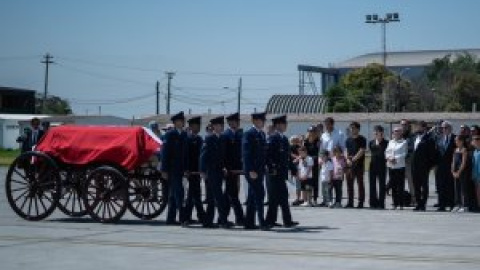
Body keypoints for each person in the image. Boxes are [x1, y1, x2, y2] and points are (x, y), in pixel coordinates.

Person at [265, 115, 298, 228]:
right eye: (284, 124)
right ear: (278, 125)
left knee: (278, 197)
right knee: (279, 197)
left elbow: (286, 157)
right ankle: (285, 221)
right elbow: (267, 155)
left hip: (281, 173)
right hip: (274, 173)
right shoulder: (273, 138)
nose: (286, 126)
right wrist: (272, 167)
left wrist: (293, 169)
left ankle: (271, 220)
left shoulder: (284, 138)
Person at [200, 116, 231, 229]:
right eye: (217, 125)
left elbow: (223, 156)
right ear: (213, 127)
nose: (219, 127)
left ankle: (208, 221)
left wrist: (224, 167)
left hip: (219, 171)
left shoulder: (222, 138)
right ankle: (222, 221)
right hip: (211, 171)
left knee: (213, 197)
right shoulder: (209, 138)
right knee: (218, 197)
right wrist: (202, 170)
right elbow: (203, 156)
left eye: (221, 125)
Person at [160, 111, 189, 225]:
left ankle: (170, 219)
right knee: (179, 193)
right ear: (175, 123)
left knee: (173, 195)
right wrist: (164, 169)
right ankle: (183, 218)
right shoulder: (170, 134)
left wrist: (186, 168)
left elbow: (186, 154)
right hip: (172, 169)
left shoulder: (184, 134)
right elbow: (164, 153)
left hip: (181, 168)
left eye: (181, 121)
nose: (180, 123)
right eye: (178, 121)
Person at [242, 112, 269, 230]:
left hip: (260, 170)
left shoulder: (262, 134)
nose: (261, 123)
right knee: (259, 194)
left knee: (253, 196)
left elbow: (263, 153)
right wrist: (251, 169)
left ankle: (249, 222)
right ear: (253, 121)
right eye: (259, 121)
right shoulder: (249, 134)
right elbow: (246, 154)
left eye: (262, 121)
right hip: (252, 170)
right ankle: (261, 222)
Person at [221, 112, 245, 226]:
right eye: (232, 122)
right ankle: (239, 218)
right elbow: (223, 154)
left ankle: (223, 218)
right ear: (229, 123)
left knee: (229, 194)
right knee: (233, 194)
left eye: (236, 122)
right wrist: (224, 167)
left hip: (236, 169)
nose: (234, 124)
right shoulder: (225, 135)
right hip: (229, 169)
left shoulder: (239, 135)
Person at [183, 116, 206, 226]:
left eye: (199, 125)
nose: (198, 127)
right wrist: (187, 169)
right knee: (193, 194)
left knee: (194, 194)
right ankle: (193, 217)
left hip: (198, 171)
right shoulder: (188, 139)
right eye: (196, 125)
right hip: (191, 171)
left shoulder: (200, 139)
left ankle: (190, 217)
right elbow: (186, 156)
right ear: (191, 127)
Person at [411, 121, 437, 211]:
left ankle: (423, 204)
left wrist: (430, 166)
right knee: (416, 185)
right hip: (414, 166)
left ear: (424, 128)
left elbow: (432, 154)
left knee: (424, 186)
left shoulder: (429, 139)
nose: (417, 129)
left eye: (419, 127)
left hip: (424, 166)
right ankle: (418, 203)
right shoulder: (415, 138)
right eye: (417, 127)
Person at [344, 121, 367, 208]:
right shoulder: (348, 139)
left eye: (353, 128)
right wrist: (347, 159)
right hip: (349, 165)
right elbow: (346, 150)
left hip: (359, 165)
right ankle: (350, 202)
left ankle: (361, 202)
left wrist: (353, 159)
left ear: (358, 129)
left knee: (360, 184)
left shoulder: (362, 139)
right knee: (349, 184)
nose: (352, 129)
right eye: (351, 128)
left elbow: (362, 150)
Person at [385, 126, 408, 210]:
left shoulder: (404, 142)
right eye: (394, 131)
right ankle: (395, 203)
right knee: (393, 186)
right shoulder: (391, 142)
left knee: (400, 186)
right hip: (391, 166)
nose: (396, 133)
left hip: (400, 166)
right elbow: (387, 152)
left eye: (398, 131)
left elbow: (404, 153)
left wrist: (396, 159)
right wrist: (389, 158)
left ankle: (401, 204)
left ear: (401, 132)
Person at [435, 121, 456, 211]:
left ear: (450, 128)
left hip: (451, 165)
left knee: (450, 186)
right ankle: (442, 205)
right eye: (442, 128)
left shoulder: (455, 138)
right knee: (440, 186)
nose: (444, 129)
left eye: (446, 127)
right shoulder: (439, 138)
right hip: (440, 166)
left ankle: (451, 204)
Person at [368, 125, 389, 209]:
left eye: (377, 131)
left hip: (382, 165)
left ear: (382, 133)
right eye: (375, 131)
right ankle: (373, 202)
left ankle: (381, 203)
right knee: (372, 184)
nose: (375, 133)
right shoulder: (371, 142)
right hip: (372, 165)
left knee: (382, 185)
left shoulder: (386, 143)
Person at [451, 135, 469, 212]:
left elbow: (463, 162)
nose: (456, 142)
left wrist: (459, 171)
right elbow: (453, 161)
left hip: (462, 171)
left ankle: (465, 205)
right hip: (456, 172)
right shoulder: (455, 150)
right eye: (455, 141)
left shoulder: (464, 150)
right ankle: (458, 204)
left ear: (461, 141)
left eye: (457, 140)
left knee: (463, 189)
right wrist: (452, 171)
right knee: (457, 188)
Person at [400, 119, 416, 206]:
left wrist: (404, 152)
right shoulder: (398, 136)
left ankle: (414, 199)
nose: (403, 126)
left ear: (408, 126)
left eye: (405, 125)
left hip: (409, 162)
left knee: (411, 181)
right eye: (402, 125)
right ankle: (400, 198)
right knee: (400, 181)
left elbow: (412, 148)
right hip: (399, 163)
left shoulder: (412, 136)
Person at [304, 125, 321, 205]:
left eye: (313, 132)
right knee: (307, 181)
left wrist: (313, 158)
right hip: (307, 164)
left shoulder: (318, 141)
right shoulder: (306, 141)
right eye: (310, 131)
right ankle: (308, 199)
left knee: (315, 182)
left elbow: (319, 152)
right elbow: (304, 152)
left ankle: (315, 199)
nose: (312, 133)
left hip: (315, 164)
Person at [289, 135, 303, 206]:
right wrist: (297, 157)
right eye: (294, 140)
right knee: (290, 184)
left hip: (298, 167)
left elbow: (302, 153)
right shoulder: (289, 147)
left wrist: (298, 158)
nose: (295, 141)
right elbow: (290, 154)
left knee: (298, 184)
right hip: (291, 167)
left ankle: (298, 198)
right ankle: (294, 198)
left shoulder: (299, 147)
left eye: (296, 139)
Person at [471, 133, 480, 210]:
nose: (475, 141)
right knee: (477, 191)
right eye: (474, 139)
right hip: (475, 175)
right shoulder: (475, 151)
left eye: (477, 139)